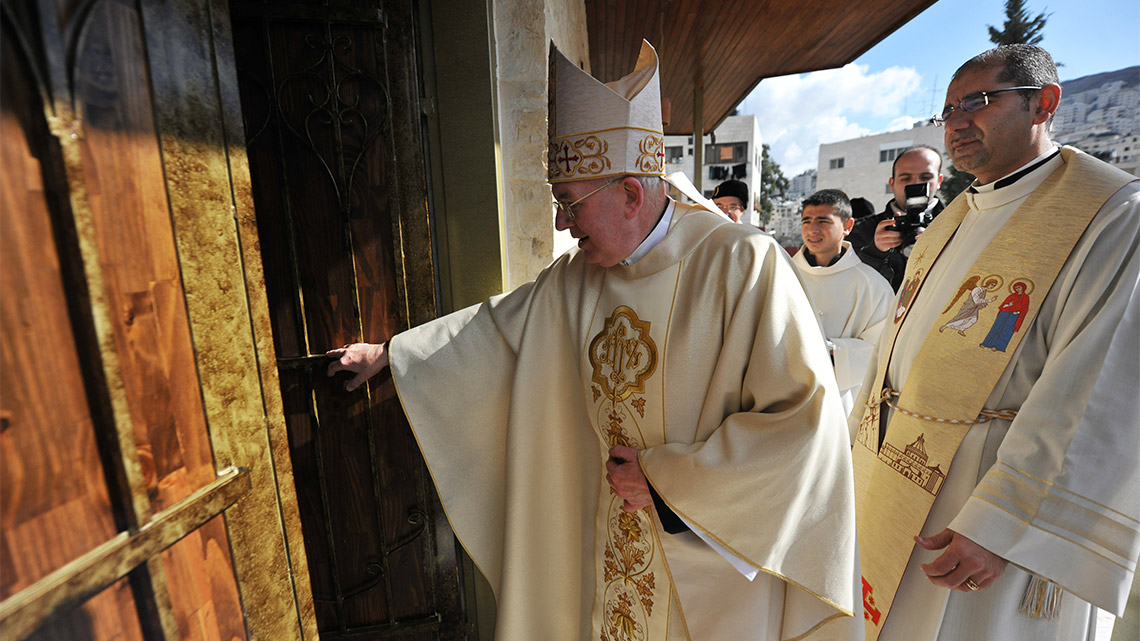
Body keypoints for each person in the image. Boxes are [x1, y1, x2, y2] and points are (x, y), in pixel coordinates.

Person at [327, 41, 860, 640]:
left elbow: (804, 425)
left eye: (568, 203)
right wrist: (391, 354)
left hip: (705, 569)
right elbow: (495, 331)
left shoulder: (741, 264)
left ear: (632, 194)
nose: (560, 223)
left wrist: (669, 482)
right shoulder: (577, 277)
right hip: (604, 540)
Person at [850, 44, 1139, 641]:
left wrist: (1005, 520)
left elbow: (1101, 385)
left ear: (1044, 104)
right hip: (902, 473)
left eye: (977, 103)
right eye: (949, 110)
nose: (956, 123)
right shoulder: (954, 216)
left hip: (988, 496)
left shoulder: (1110, 212)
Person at [792, 189, 893, 418]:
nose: (812, 229)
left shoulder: (872, 285)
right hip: (783, 393)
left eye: (823, 221)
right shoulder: (782, 272)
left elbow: (882, 351)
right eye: (806, 221)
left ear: (847, 226)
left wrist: (827, 351)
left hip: (839, 403)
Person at [848, 146, 945, 290]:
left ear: (939, 181)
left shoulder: (960, 226)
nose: (916, 184)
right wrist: (875, 252)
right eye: (905, 178)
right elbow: (849, 286)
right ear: (892, 184)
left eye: (926, 177)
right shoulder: (861, 231)